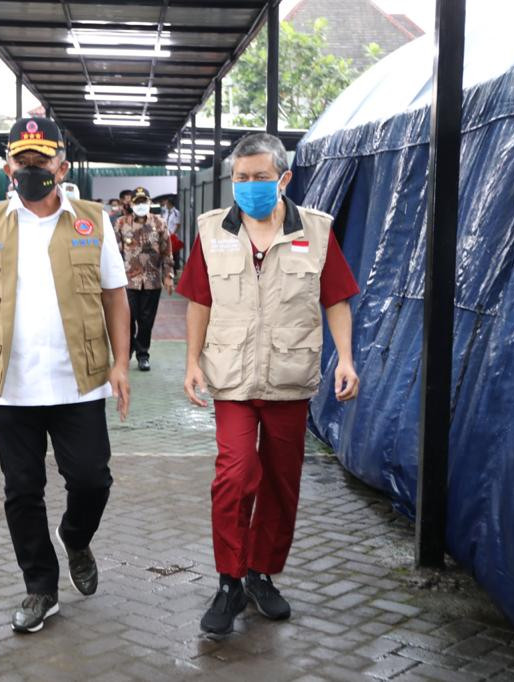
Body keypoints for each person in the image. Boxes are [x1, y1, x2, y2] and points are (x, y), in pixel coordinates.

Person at [0, 116, 131, 635]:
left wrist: (120, 362)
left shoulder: (93, 220)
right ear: (8, 167)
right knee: (22, 490)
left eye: (40, 161)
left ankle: (75, 534)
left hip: (79, 381)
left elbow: (115, 294)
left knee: (92, 479)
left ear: (61, 166)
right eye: (21, 161)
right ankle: (40, 588)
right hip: (12, 385)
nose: (30, 170)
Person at [176, 132, 361, 637]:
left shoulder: (316, 231)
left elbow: (337, 299)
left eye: (260, 177)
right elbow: (199, 301)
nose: (250, 186)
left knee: (282, 480)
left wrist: (345, 358)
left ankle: (261, 574)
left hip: (288, 376)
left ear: (283, 178)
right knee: (235, 473)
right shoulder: (212, 230)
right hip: (232, 378)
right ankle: (229, 580)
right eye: (241, 178)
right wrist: (192, 362)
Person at [115, 187, 173, 372]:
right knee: (128, 318)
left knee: (146, 321)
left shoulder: (159, 223)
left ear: (149, 203)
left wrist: (168, 276)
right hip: (128, 281)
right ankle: (128, 351)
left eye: (143, 202)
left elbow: (166, 252)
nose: (140, 205)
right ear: (131, 204)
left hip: (152, 281)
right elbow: (114, 253)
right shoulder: (121, 223)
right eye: (137, 202)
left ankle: (143, 355)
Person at [162, 197, 184, 272]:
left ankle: (174, 270)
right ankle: (166, 268)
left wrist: (173, 233)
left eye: (167, 203)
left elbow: (178, 225)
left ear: (170, 204)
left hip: (172, 235)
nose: (165, 205)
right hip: (165, 234)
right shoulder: (166, 212)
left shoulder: (176, 213)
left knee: (173, 253)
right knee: (166, 251)